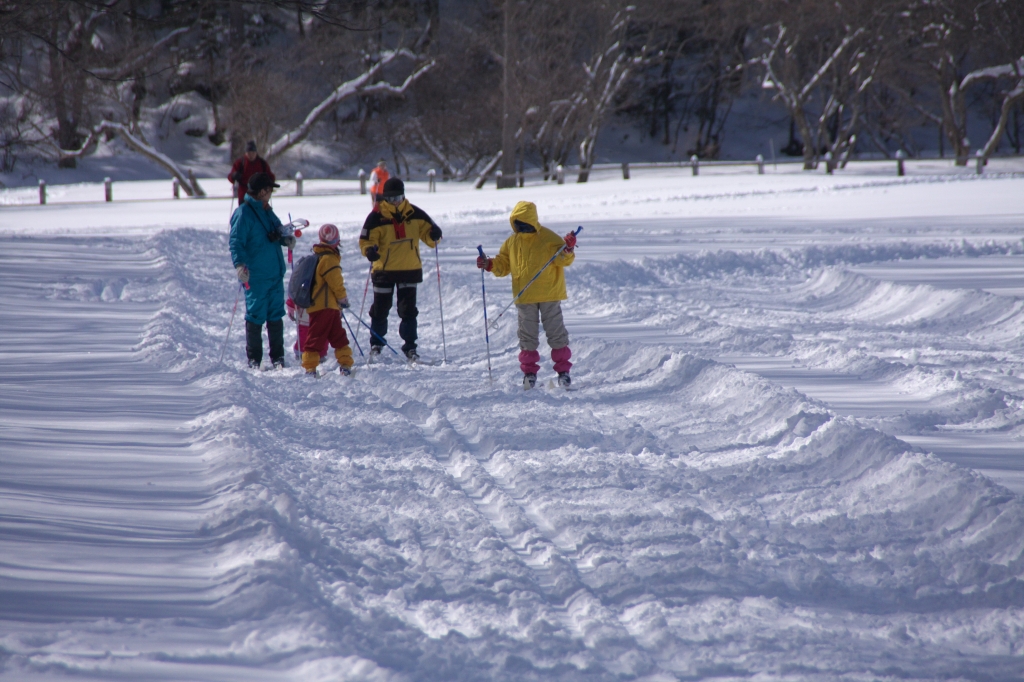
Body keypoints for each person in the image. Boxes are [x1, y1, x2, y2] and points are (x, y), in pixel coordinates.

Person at [477, 201, 576, 389]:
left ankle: (563, 372)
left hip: (549, 293)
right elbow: (504, 264)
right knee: (527, 336)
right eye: (518, 224)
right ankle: (529, 374)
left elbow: (564, 258)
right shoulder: (512, 242)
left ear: (532, 221)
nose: (521, 228)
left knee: (556, 333)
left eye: (525, 224)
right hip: (524, 297)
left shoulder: (547, 237)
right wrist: (489, 264)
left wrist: (569, 248)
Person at [358, 178, 442, 361]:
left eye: (399, 197)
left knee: (408, 311)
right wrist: (369, 251)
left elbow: (431, 236)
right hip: (383, 271)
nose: (396, 201)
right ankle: (377, 343)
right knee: (380, 309)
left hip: (409, 269)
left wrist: (435, 235)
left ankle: (410, 346)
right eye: (392, 198)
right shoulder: (376, 217)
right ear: (385, 198)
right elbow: (366, 240)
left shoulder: (415, 214)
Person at [229, 172, 295, 369]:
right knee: (256, 315)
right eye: (269, 190)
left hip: (275, 273)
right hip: (256, 275)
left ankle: (278, 357)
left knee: (276, 314)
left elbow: (277, 230)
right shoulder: (244, 213)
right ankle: (254, 359)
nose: (271, 193)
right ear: (261, 191)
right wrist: (239, 265)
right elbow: (236, 242)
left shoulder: (267, 210)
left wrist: (286, 239)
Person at [301, 224, 355, 377]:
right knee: (317, 337)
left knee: (338, 335)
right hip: (324, 306)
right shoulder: (329, 259)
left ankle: (345, 364)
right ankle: (310, 368)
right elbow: (336, 283)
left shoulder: (319, 257)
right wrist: (343, 299)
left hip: (326, 306)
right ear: (337, 241)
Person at [228, 140, 275, 207]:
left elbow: (271, 177)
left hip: (259, 196)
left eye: (253, 152)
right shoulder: (240, 163)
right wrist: (234, 176)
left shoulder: (262, 163)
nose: (251, 155)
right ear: (246, 153)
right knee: (245, 216)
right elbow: (230, 177)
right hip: (244, 196)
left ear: (256, 152)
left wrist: (268, 182)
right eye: (249, 153)